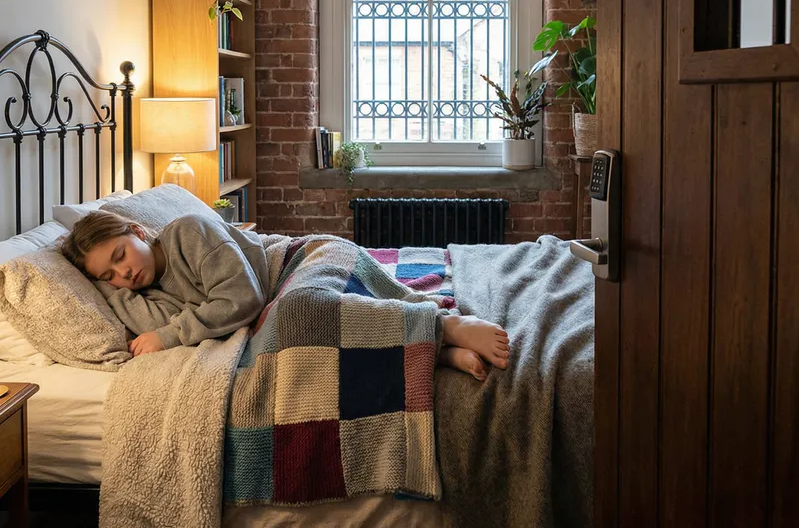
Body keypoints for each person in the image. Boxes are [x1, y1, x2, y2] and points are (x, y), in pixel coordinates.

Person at [61, 211, 510, 381]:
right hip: (279, 301)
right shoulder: (142, 294)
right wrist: (107, 289)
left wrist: (170, 335)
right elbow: (144, 324)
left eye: (121, 254)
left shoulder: (187, 232)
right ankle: (435, 351)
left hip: (297, 263)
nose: (124, 272)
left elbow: (241, 299)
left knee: (303, 311)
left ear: (139, 231)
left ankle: (443, 323)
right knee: (299, 336)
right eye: (110, 276)